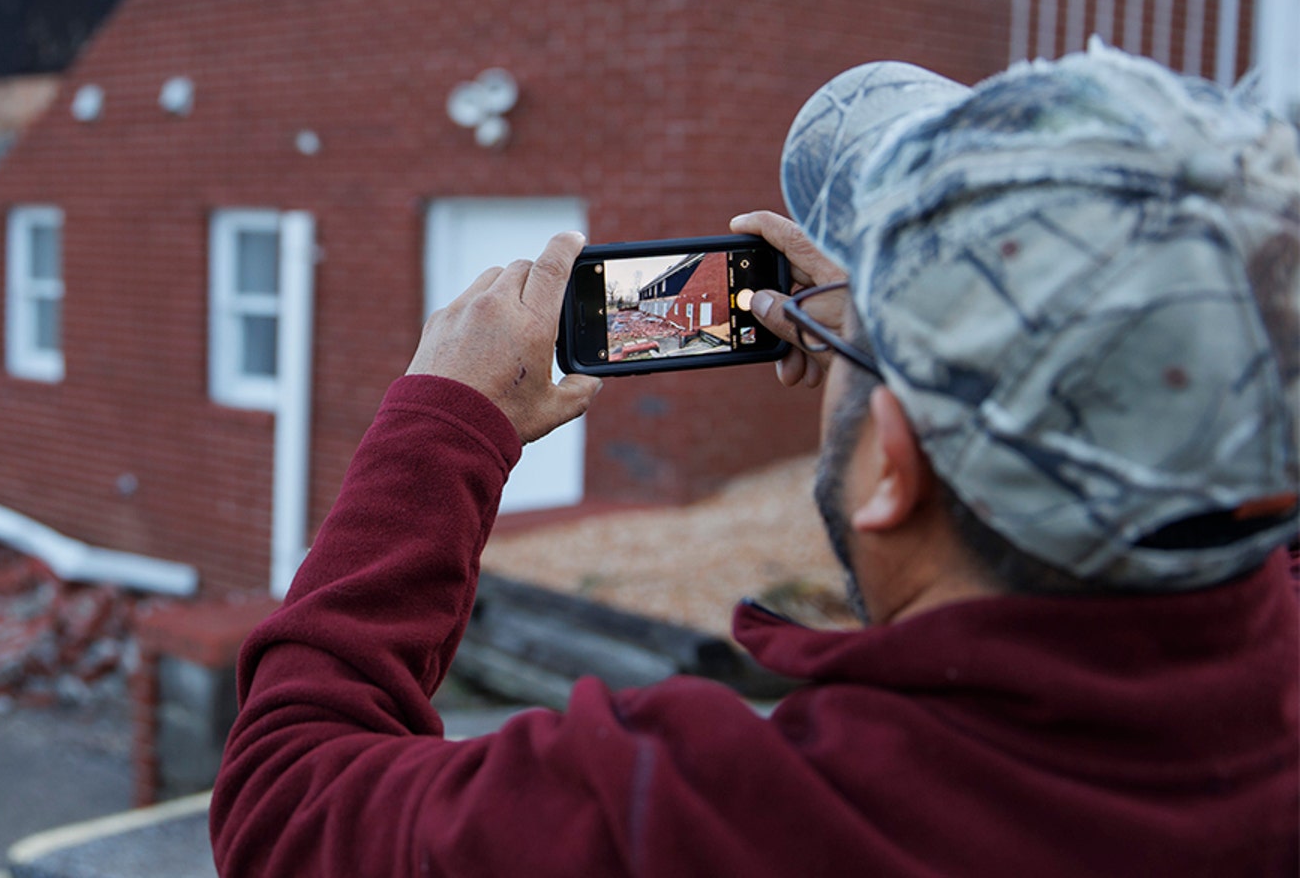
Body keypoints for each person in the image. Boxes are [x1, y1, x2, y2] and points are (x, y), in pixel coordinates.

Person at [209, 43, 1300, 876]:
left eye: (855, 353)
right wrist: (871, 327)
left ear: (895, 470)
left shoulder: (721, 814)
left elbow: (290, 806)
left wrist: (443, 422)